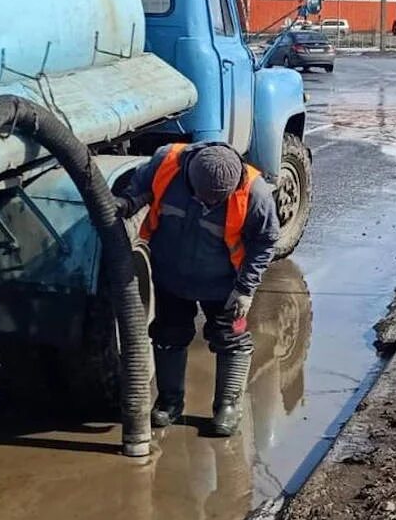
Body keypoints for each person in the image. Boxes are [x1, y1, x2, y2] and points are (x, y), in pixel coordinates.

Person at [117, 142, 280, 437]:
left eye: (215, 202)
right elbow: (140, 187)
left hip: (224, 285)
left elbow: (266, 241)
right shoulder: (166, 162)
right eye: (201, 198)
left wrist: (245, 289)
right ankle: (169, 401)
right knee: (168, 335)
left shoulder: (255, 194)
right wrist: (126, 202)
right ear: (189, 177)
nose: (207, 205)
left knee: (230, 338)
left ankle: (227, 407)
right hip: (171, 276)